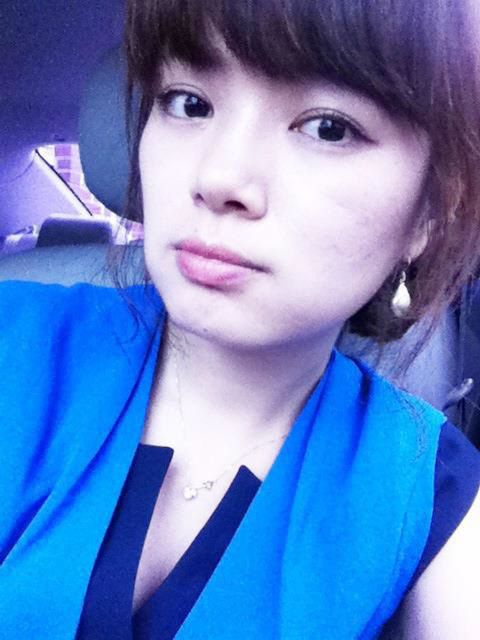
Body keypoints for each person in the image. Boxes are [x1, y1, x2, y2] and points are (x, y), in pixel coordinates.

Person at [1, 0, 480, 638]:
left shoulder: (427, 490)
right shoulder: (13, 338)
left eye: (328, 128)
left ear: (429, 215)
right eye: (188, 103)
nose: (218, 176)